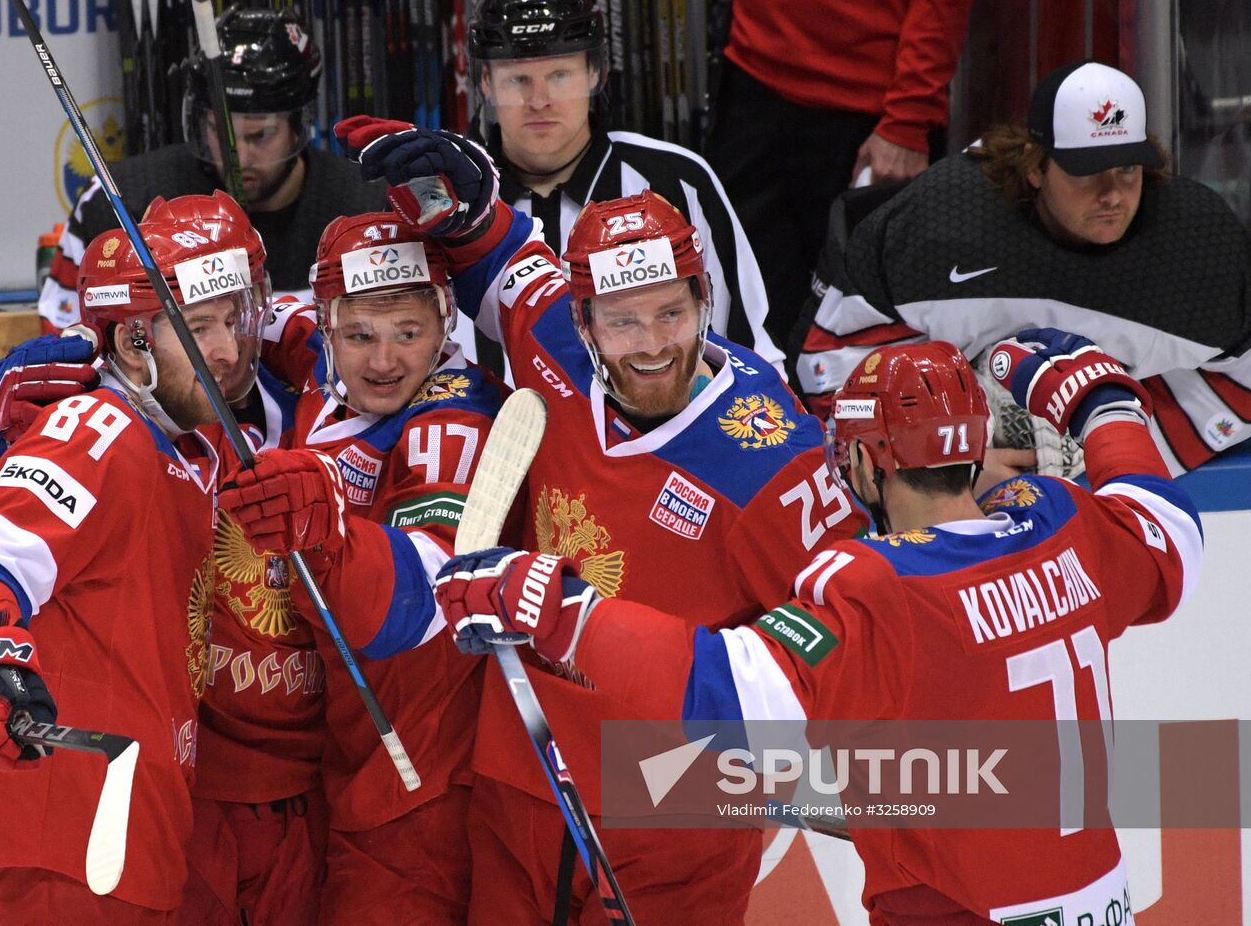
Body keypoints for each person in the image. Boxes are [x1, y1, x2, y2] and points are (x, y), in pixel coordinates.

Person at [435, 335, 1203, 924]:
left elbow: (726, 695)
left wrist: (561, 609)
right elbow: (1169, 532)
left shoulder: (878, 584)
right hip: (1101, 901)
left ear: (867, 462)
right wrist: (1102, 400)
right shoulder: (1059, 522)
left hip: (955, 908)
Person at [336, 115, 867, 925]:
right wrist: (460, 201)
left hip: (670, 813)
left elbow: (853, 641)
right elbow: (498, 255)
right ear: (583, 324)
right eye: (622, 321)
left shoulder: (772, 462)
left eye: (671, 314)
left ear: (705, 301)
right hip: (523, 772)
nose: (651, 344)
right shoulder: (554, 339)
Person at [0, 192, 268, 923]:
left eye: (234, 321)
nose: (228, 351)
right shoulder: (97, 428)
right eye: (199, 327)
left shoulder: (191, 445)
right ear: (132, 342)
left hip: (114, 836)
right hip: (52, 839)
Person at [217, 212, 509, 923]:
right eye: (359, 336)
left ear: (444, 324)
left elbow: (432, 589)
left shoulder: (455, 419)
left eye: (408, 333)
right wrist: (91, 349)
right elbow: (247, 323)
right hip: (335, 760)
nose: (383, 361)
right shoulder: (317, 360)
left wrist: (328, 526)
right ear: (327, 327)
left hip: (425, 775)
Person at [792, 60, 1251, 483]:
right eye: (1086, 170)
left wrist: (1114, 442)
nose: (1113, 194)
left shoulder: (1200, 248)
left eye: (1128, 167)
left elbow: (1242, 382)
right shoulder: (938, 224)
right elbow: (830, 366)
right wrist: (950, 463)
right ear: (1035, 168)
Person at [465, 0, 785, 377]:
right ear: (486, 83)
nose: (540, 100)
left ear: (595, 73)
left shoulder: (677, 181)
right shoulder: (451, 198)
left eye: (560, 75)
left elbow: (752, 357)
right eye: (518, 80)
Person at [39, 6, 385, 333]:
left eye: (260, 135)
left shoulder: (369, 209)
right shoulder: (117, 202)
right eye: (219, 132)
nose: (240, 157)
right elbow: (67, 342)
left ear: (298, 126)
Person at [705, 0, 978, 349]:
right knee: (746, 317)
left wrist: (908, 119)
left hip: (866, 115)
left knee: (862, 336)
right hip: (748, 79)